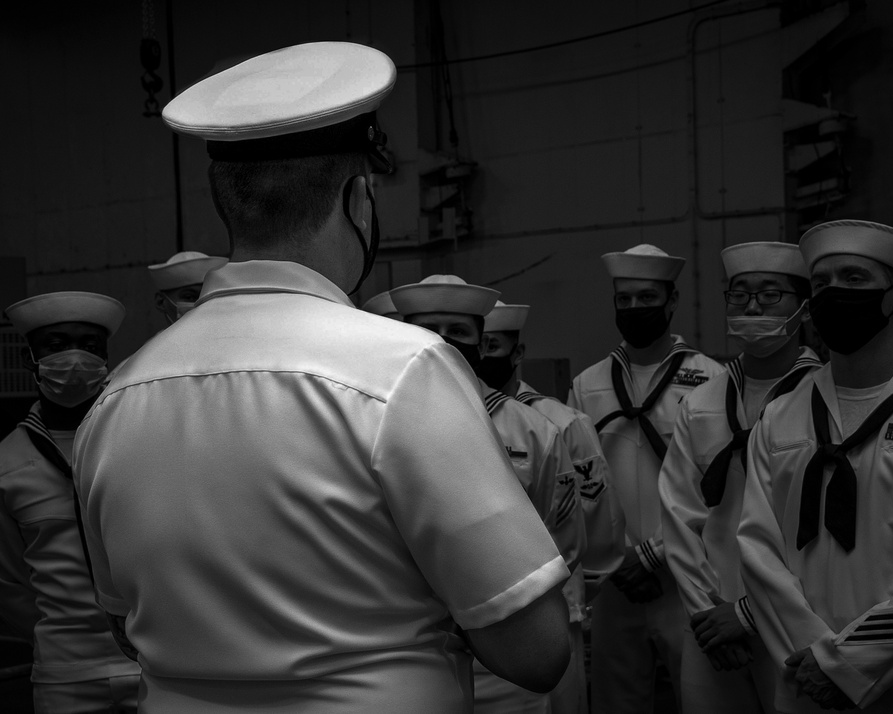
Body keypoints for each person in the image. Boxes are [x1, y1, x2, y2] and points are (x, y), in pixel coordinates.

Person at [72, 42, 570, 713]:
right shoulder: (403, 371)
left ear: (229, 205)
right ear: (358, 198)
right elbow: (537, 652)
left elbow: (125, 628)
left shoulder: (117, 398)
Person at [737, 220, 893, 713]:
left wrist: (849, 662)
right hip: (805, 680)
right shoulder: (780, 415)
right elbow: (757, 549)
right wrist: (817, 659)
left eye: (853, 279)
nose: (833, 293)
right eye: (820, 283)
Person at [391, 275, 584, 714]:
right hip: (411, 647)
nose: (443, 343)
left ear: (481, 341)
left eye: (458, 333)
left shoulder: (534, 430)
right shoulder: (371, 417)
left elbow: (564, 540)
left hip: (507, 655)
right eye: (429, 330)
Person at [658, 241, 822, 714]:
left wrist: (750, 613)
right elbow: (680, 513)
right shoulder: (703, 401)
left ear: (803, 308)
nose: (752, 306)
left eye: (771, 295)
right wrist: (704, 612)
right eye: (739, 294)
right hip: (710, 620)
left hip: (796, 619)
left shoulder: (823, 399)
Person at [568, 243, 725, 713]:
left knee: (701, 697)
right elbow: (583, 482)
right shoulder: (587, 383)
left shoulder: (711, 379)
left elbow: (714, 485)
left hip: (687, 574)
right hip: (615, 580)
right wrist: (615, 559)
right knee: (617, 700)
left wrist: (654, 555)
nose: (635, 309)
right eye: (625, 300)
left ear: (672, 302)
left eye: (647, 298)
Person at [482, 299, 627, 714]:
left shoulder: (561, 423)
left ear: (518, 353)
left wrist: (579, 592)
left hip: (555, 609)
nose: (484, 355)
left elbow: (598, 519)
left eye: (495, 345)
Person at [0, 291, 140, 713]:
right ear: (30, 359)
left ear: (107, 357)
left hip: (149, 662)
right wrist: (59, 633)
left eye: (90, 346)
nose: (75, 358)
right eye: (56, 346)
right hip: (65, 672)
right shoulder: (8, 461)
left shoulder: (137, 441)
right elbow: (9, 582)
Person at [148, 251, 228, 324]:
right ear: (161, 302)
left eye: (207, 296)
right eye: (189, 297)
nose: (201, 304)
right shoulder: (160, 340)